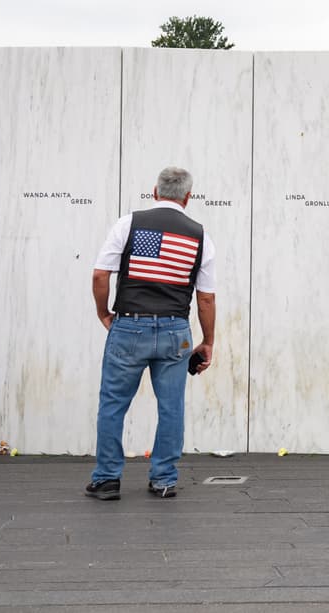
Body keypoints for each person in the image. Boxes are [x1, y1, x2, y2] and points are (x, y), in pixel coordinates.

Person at [85, 166, 217, 500]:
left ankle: (107, 480)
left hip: (129, 324)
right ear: (188, 197)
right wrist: (208, 341)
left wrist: (104, 313)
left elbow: (101, 275)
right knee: (171, 407)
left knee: (113, 404)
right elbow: (205, 297)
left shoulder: (129, 224)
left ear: (154, 192)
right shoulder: (200, 235)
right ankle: (163, 480)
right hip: (176, 329)